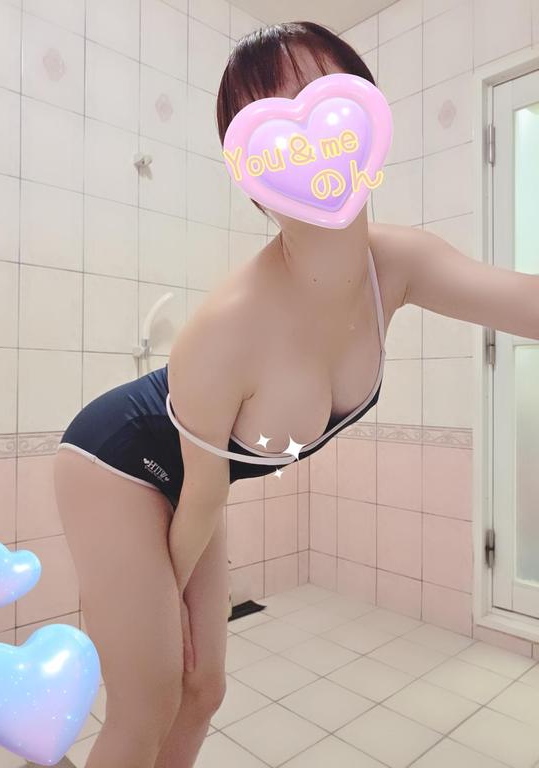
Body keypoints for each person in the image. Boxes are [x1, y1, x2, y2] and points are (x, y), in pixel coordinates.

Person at [53, 21, 405, 768]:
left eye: (326, 100)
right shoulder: (232, 321)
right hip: (112, 457)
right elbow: (206, 490)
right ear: (253, 170)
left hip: (192, 481)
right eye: (276, 123)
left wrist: (173, 599)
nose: (309, 138)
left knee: (204, 687)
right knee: (148, 701)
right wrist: (166, 602)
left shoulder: (391, 268)